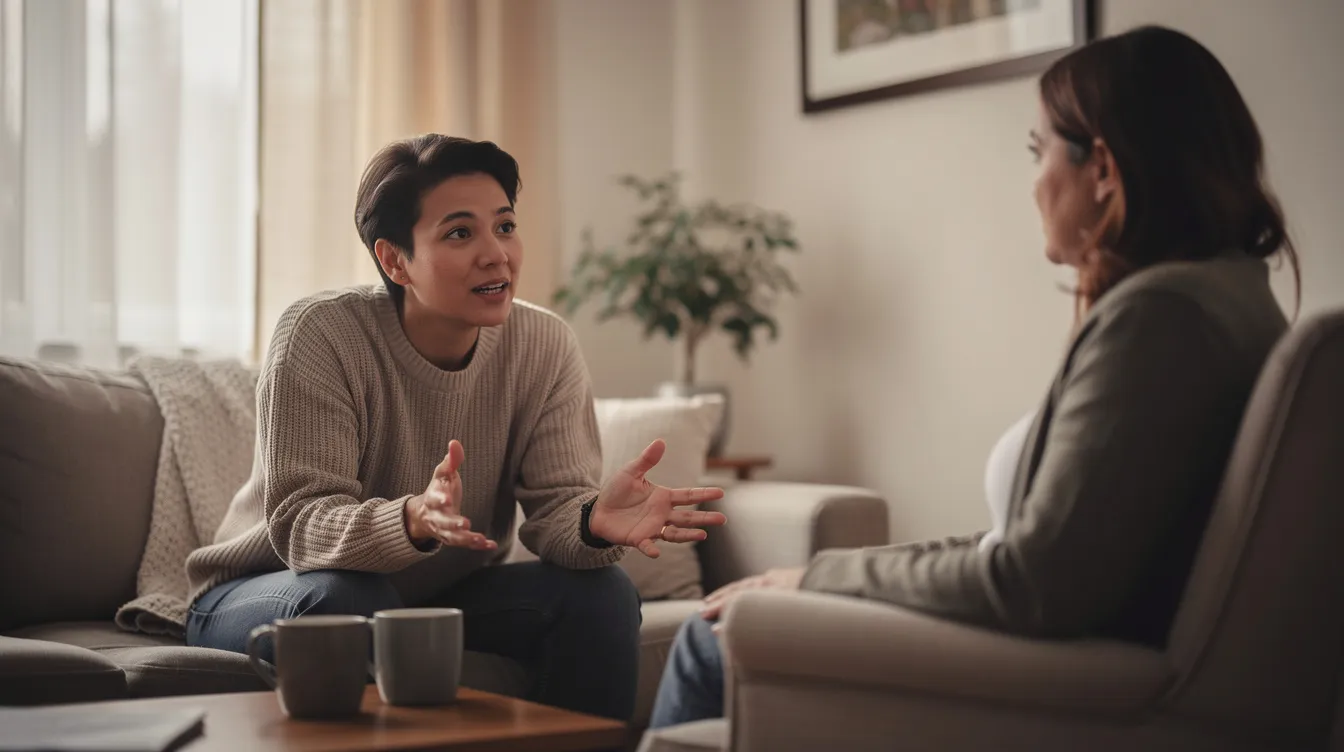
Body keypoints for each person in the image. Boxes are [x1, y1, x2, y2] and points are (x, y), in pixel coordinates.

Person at [648, 24, 1300, 729]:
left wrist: (819, 578)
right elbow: (1027, 548)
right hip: (1084, 652)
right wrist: (826, 574)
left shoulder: (1159, 319)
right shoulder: (1229, 299)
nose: (1034, 182)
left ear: (1104, 169)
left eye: (1038, 151)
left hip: (1058, 672)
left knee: (708, 640)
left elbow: (1031, 582)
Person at [183, 134, 728, 722]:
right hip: (270, 586)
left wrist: (592, 523)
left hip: (435, 594)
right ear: (394, 260)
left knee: (601, 594)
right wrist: (411, 519)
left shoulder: (543, 344)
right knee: (348, 597)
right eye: (460, 233)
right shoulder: (321, 334)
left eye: (505, 226)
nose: (496, 254)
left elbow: (556, 510)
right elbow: (302, 529)